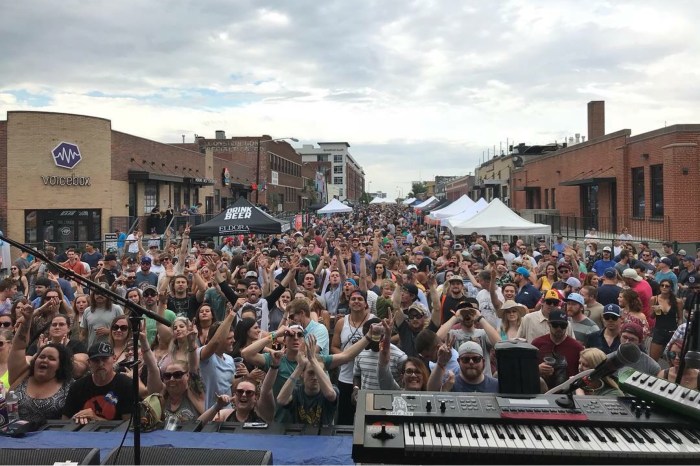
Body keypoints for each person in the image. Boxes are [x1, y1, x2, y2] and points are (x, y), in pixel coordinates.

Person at [9, 303, 74, 424]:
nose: (44, 360)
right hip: (14, 434)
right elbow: (18, 347)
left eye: (51, 358)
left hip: (51, 435)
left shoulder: (69, 386)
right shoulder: (21, 375)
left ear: (60, 365)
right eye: (42, 356)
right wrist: (27, 321)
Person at [62, 342, 133, 423]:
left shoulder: (126, 385)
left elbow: (128, 425)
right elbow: (65, 421)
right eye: (95, 360)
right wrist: (76, 419)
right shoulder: (78, 386)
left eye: (104, 359)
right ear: (89, 363)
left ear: (114, 359)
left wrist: (96, 419)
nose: (101, 364)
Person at [142, 332, 204, 424]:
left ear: (188, 376)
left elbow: (194, 367)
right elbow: (152, 368)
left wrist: (191, 345)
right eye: (167, 376)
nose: (171, 379)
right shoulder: (161, 394)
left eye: (177, 375)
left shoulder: (194, 393)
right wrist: (143, 340)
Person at [275, 335, 339, 426]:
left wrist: (312, 359)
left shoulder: (332, 389)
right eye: (311, 373)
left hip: (322, 434)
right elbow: (281, 400)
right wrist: (300, 367)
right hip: (300, 434)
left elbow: (330, 394)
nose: (315, 377)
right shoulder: (296, 391)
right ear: (302, 374)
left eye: (318, 373)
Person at [532, 309, 584, 390]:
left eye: (563, 325)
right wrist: (537, 369)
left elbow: (584, 373)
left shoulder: (577, 347)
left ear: (567, 325)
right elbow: (526, 370)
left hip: (568, 393)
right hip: (541, 392)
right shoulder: (537, 344)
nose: (559, 328)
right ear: (549, 324)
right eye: (555, 325)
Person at [353, 318, 407, 390]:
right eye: (365, 336)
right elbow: (357, 375)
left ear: (380, 335)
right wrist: (356, 388)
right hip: (367, 396)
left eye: (369, 336)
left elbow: (405, 383)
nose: (366, 340)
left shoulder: (399, 357)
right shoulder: (360, 351)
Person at [428, 340, 499, 393]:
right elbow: (431, 393)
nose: (471, 362)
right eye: (465, 359)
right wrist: (440, 363)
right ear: (459, 361)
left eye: (476, 359)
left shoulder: (496, 385)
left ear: (483, 361)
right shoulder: (450, 384)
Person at [198, 377, 273, 424]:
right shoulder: (224, 415)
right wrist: (217, 406)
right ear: (234, 396)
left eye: (249, 392)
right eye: (240, 391)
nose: (244, 395)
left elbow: (267, 390)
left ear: (256, 397)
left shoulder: (262, 415)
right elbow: (198, 425)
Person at [649, 279, 683, 361]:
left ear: (671, 288)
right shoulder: (654, 299)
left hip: (672, 332)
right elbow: (652, 316)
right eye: (662, 285)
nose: (664, 287)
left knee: (673, 360)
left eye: (667, 286)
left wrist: (679, 331)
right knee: (653, 360)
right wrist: (656, 310)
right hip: (659, 332)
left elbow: (680, 318)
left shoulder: (677, 301)